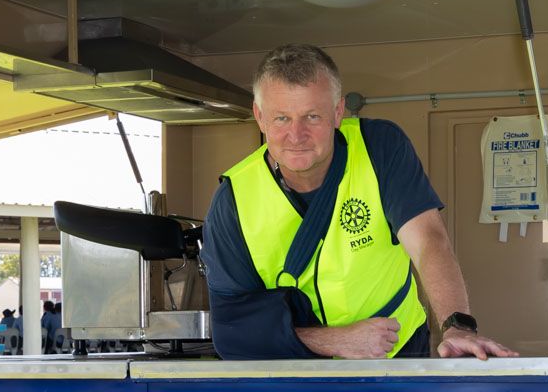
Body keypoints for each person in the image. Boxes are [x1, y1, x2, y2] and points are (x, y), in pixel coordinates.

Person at [202, 44, 514, 361]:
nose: (296, 135)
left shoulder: (380, 147)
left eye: (312, 116)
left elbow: (428, 241)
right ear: (259, 116)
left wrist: (456, 325)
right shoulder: (233, 200)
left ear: (338, 112)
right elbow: (232, 331)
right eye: (281, 118)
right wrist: (333, 341)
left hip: (397, 351)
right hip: (296, 371)